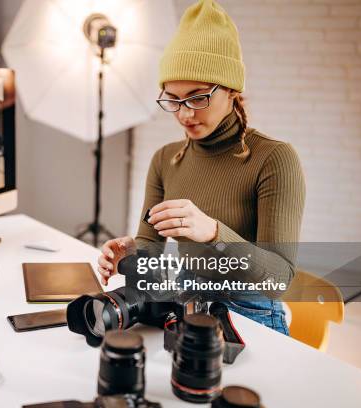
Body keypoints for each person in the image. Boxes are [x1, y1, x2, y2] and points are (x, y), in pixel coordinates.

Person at [96, 0, 305, 335]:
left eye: (197, 97)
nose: (184, 115)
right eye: (173, 99)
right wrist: (130, 252)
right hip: (188, 302)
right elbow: (152, 251)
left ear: (233, 89)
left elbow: (279, 279)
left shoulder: (274, 159)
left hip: (252, 314)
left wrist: (213, 233)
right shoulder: (165, 159)